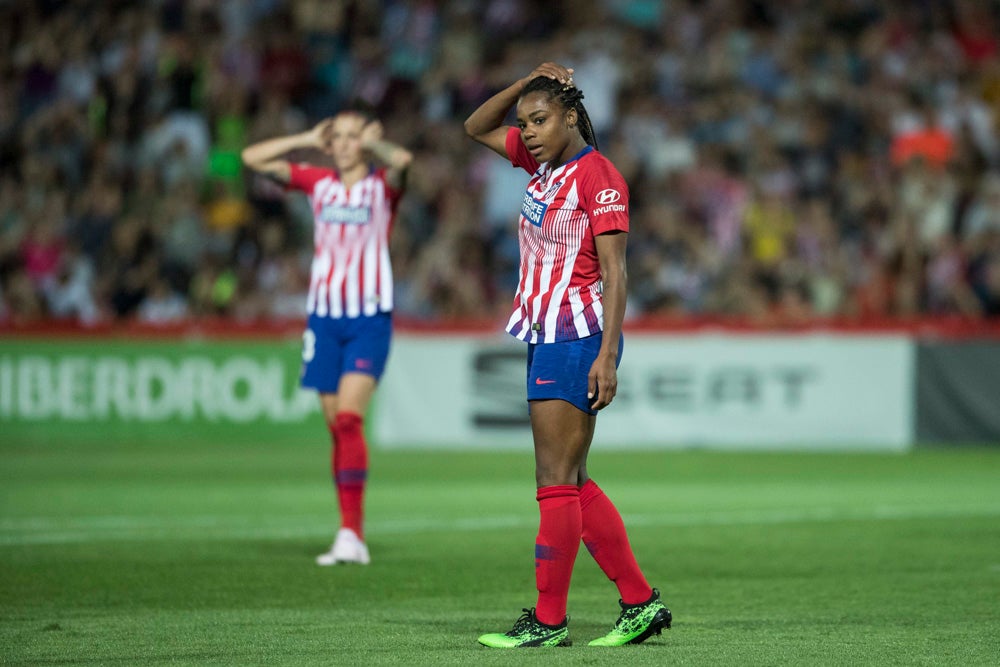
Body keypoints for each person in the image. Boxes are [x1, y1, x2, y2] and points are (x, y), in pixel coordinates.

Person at [464, 62, 672, 647]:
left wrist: (607, 355)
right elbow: (475, 125)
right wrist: (526, 81)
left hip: (575, 334)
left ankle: (548, 621)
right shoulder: (541, 164)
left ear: (572, 116)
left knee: (554, 479)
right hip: (545, 331)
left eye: (540, 119)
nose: (526, 131)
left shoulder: (597, 175)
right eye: (524, 122)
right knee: (573, 480)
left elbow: (615, 270)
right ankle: (639, 603)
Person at [241, 104, 413, 565]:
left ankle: (351, 534)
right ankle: (348, 533)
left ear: (367, 141)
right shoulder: (318, 183)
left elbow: (402, 163)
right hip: (323, 318)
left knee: (350, 421)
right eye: (336, 137)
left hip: (368, 318)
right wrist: (304, 136)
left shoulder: (382, 188)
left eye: (350, 136)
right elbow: (250, 158)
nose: (341, 144)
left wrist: (373, 140)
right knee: (336, 428)